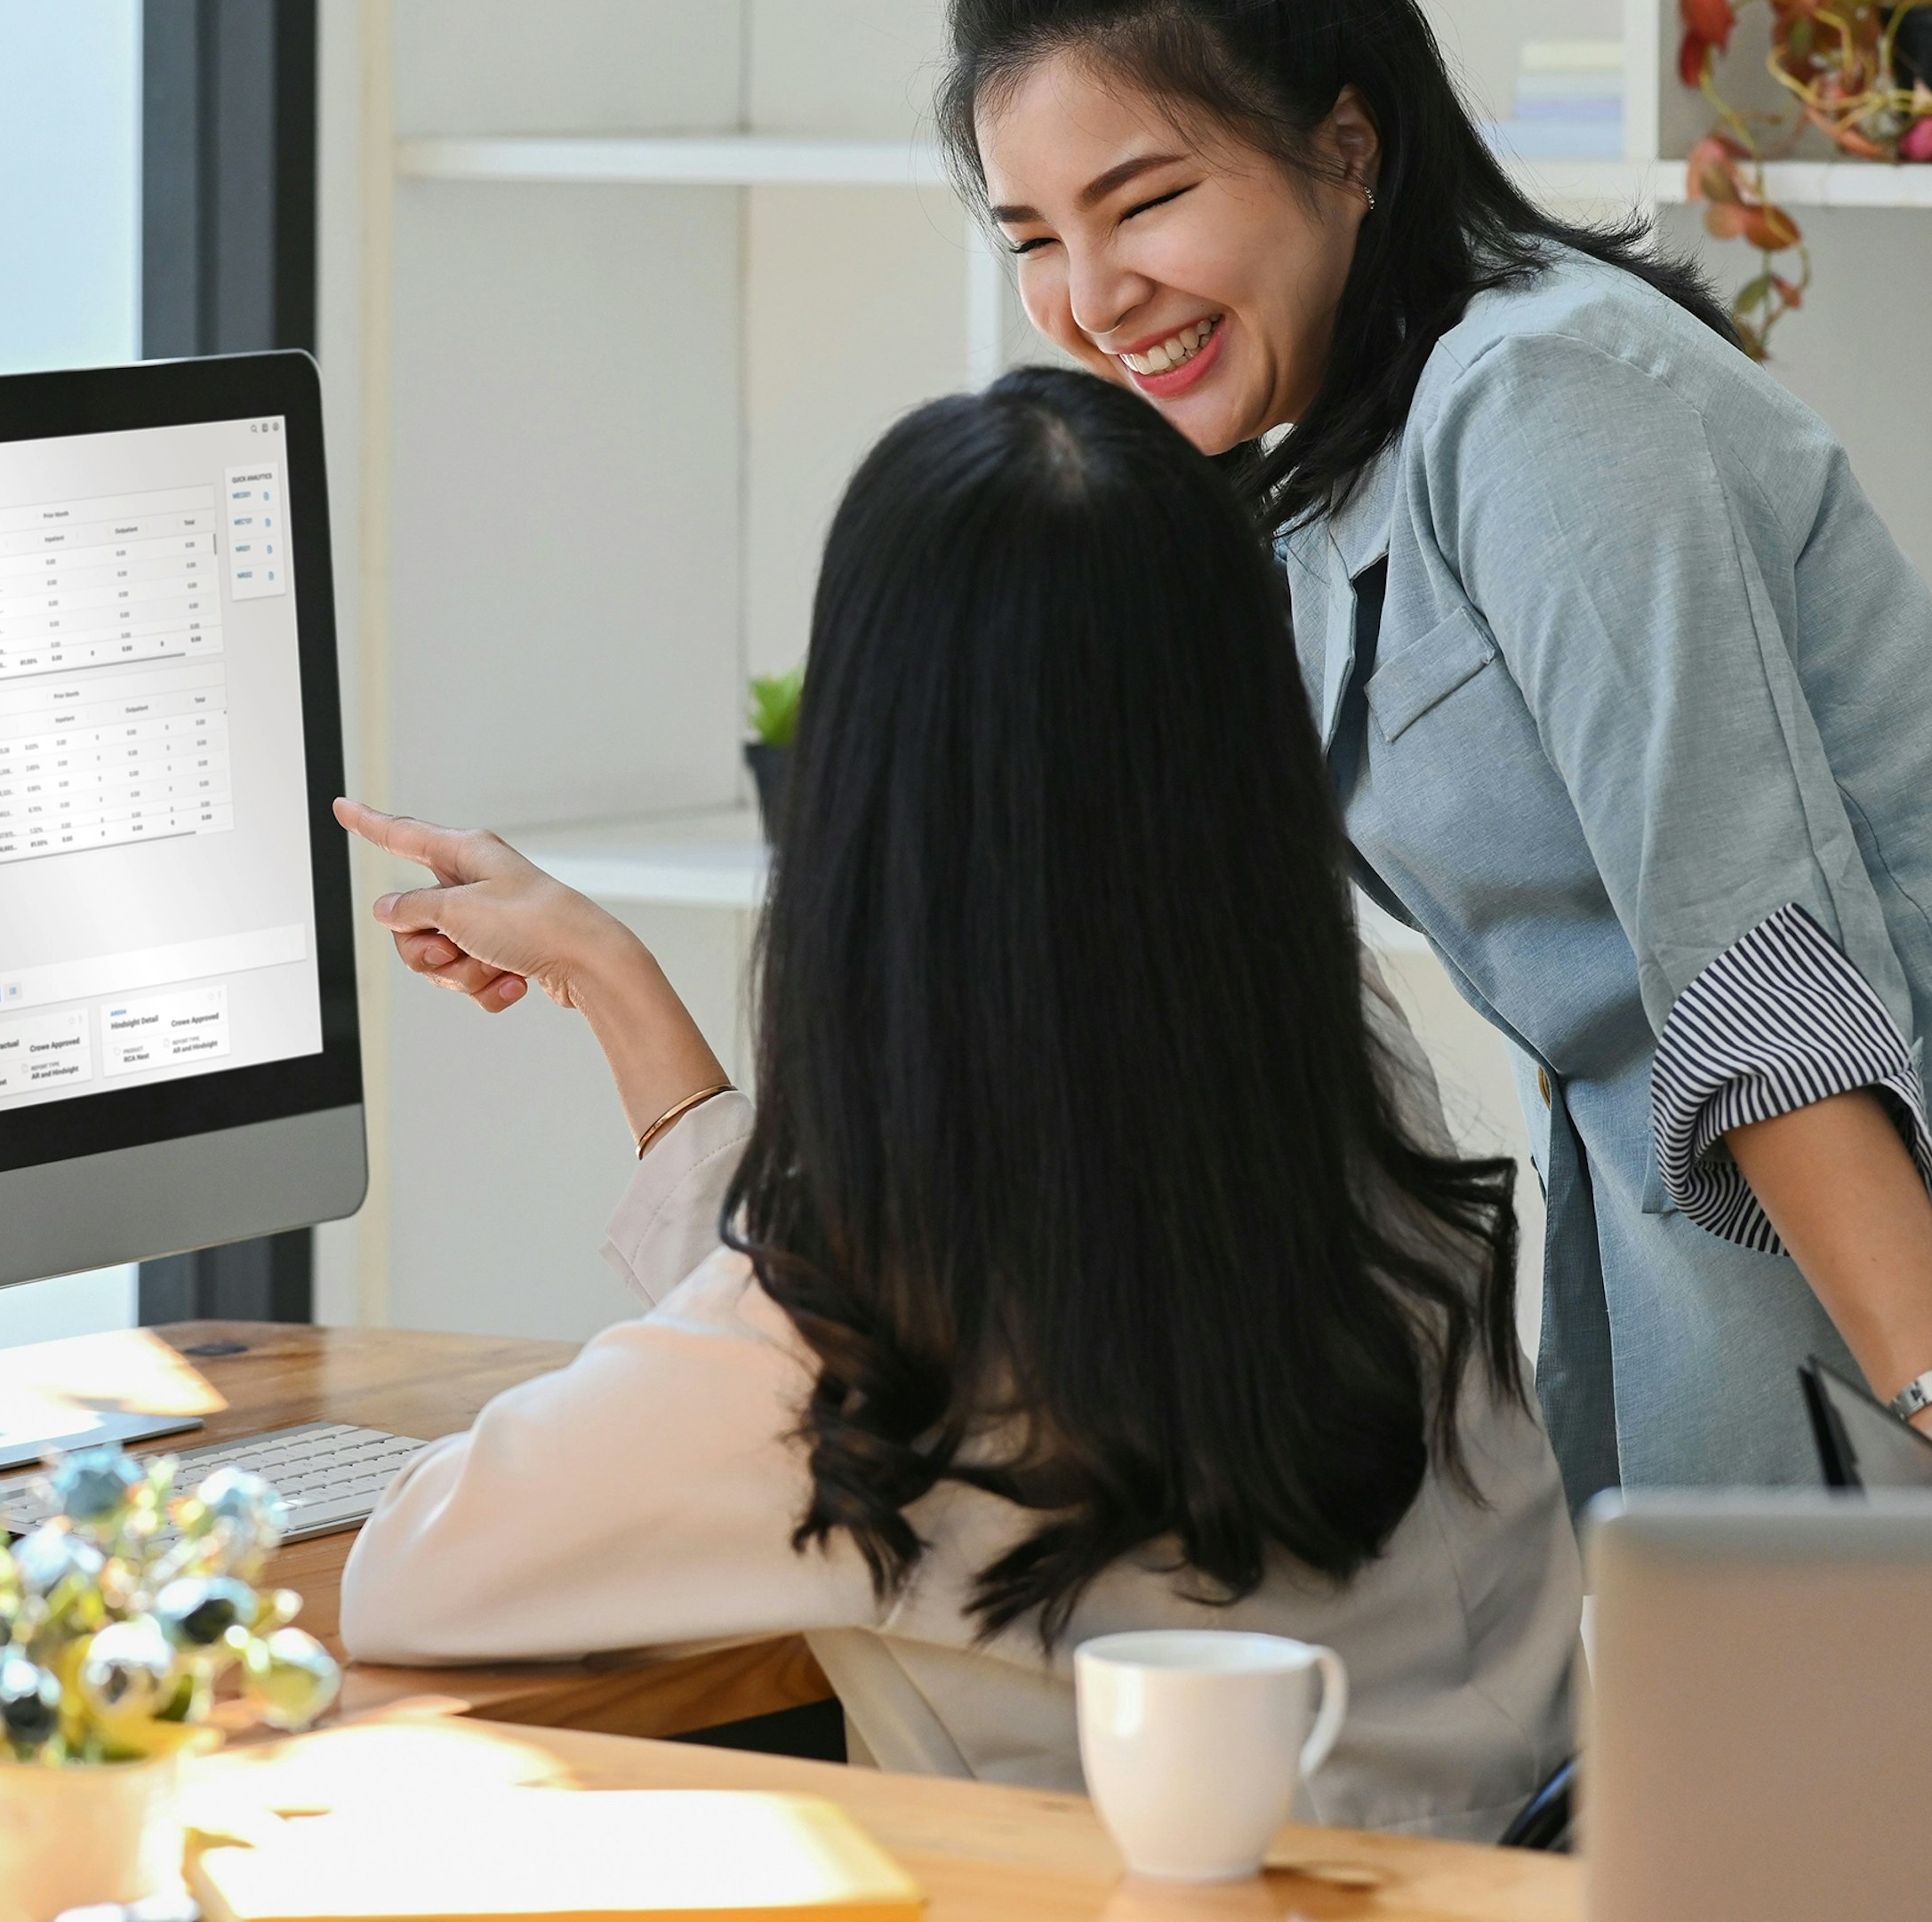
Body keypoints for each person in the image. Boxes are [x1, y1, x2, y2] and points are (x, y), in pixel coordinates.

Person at [943, 0, 1932, 1497]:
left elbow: (1744, 936)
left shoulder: (1542, 399)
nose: (1093, 298)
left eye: (1147, 199)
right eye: (1035, 234)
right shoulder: (1323, 471)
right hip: (1753, 1300)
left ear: (1346, 142)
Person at [333, 372, 1579, 1840]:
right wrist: (615, 983)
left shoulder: (847, 1346)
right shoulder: (1335, 1101)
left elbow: (417, 1569)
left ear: (868, 797)